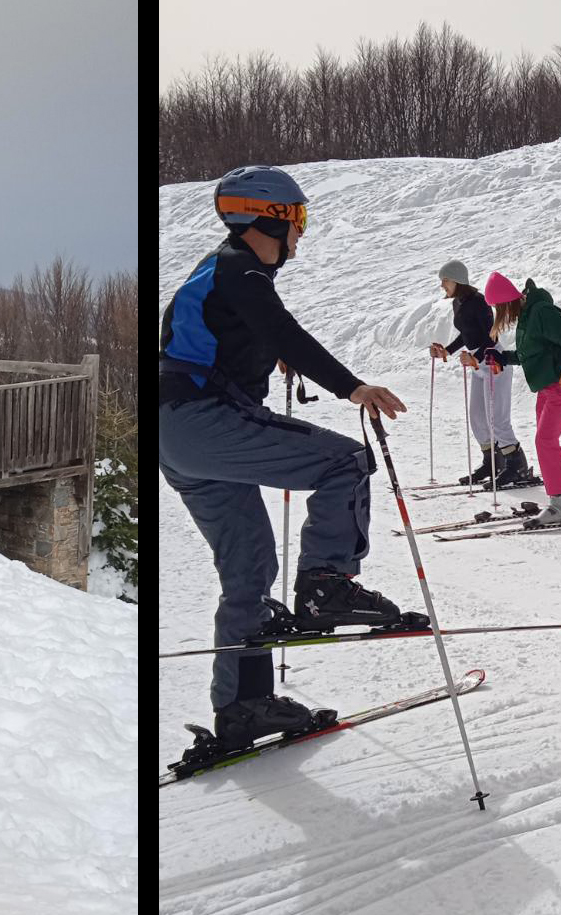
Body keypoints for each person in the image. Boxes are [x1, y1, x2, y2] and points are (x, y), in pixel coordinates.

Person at [157, 164, 413, 755]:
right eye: (297, 219)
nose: (301, 234)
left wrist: (255, 355)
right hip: (204, 420)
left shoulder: (217, 270)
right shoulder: (240, 269)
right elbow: (282, 329)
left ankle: (243, 708)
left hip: (180, 436)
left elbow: (228, 336)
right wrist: (353, 387)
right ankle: (327, 583)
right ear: (265, 217)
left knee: (248, 570)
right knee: (345, 461)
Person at [481, 270, 561, 523]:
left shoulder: (541, 312)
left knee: (546, 441)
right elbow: (530, 353)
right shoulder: (527, 317)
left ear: (507, 302)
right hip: (546, 388)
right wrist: (503, 357)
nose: (499, 314)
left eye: (498, 308)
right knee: (544, 441)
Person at [429, 260, 529, 487]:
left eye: (445, 280)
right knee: (477, 417)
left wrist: (476, 358)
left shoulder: (479, 302)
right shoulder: (458, 303)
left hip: (494, 361)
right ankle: (492, 463)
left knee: (497, 418)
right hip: (478, 364)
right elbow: (466, 334)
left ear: (457, 279)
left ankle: (517, 467)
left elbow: (491, 337)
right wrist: (447, 351)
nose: (442, 285)